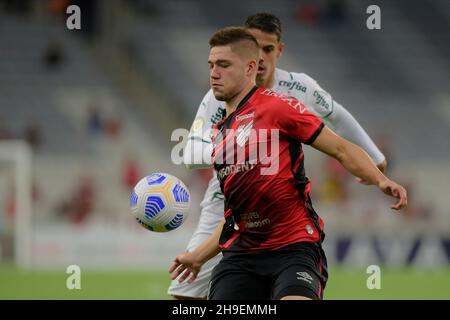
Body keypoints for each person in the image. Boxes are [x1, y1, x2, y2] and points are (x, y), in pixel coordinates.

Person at [169, 27, 407, 300]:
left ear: (249, 68)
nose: (214, 73)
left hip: (293, 249)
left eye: (224, 65)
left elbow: (340, 148)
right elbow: (237, 218)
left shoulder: (278, 107)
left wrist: (380, 178)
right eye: (211, 65)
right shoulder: (220, 135)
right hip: (242, 256)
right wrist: (198, 256)